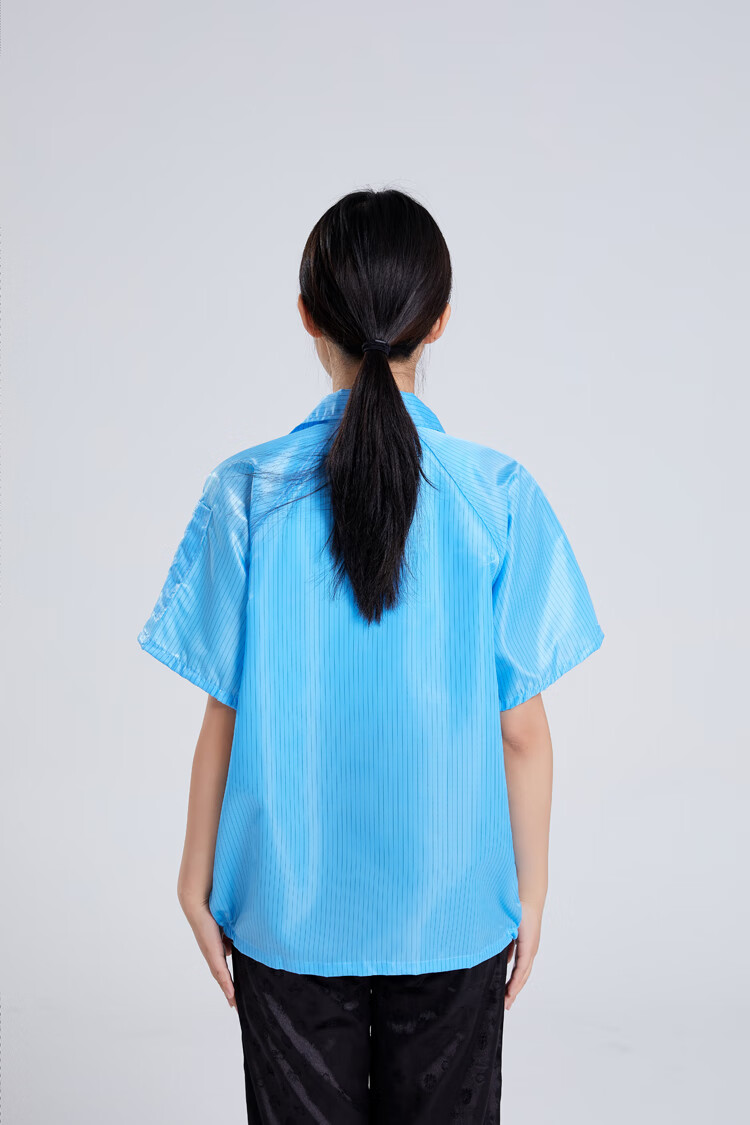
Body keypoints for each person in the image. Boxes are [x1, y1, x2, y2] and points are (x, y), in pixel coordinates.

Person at [137, 187, 604, 1124]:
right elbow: (522, 733)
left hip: (285, 907)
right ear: (439, 320)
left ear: (308, 316)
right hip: (456, 908)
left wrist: (194, 873)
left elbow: (224, 711)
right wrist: (531, 893)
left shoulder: (247, 493)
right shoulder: (499, 495)